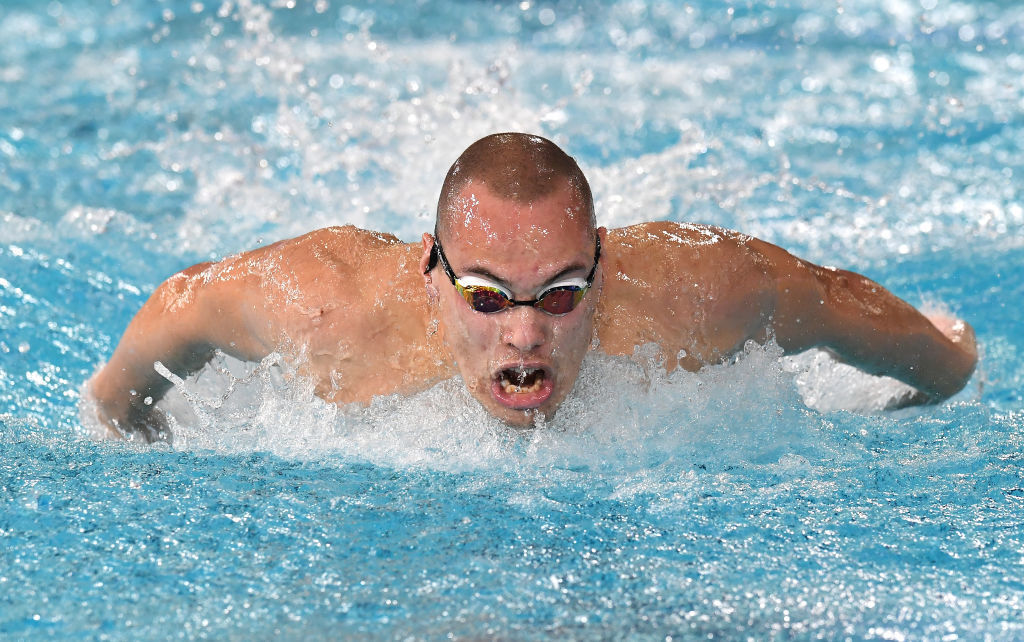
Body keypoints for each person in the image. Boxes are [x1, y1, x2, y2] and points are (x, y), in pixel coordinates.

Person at [88, 133, 978, 441]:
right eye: (485, 296)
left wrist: (943, 370)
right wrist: (133, 422)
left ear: (602, 266)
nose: (524, 336)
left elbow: (829, 298)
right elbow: (179, 306)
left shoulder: (698, 296)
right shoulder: (331, 312)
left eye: (559, 296)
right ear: (430, 272)